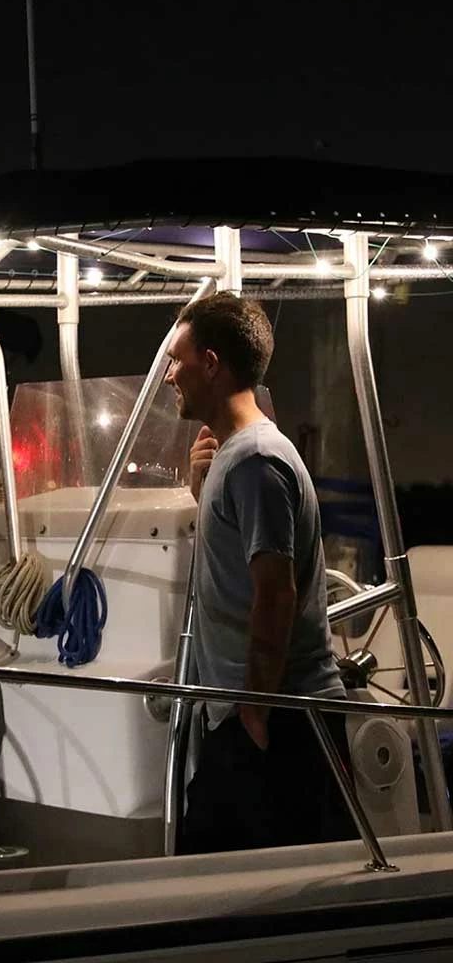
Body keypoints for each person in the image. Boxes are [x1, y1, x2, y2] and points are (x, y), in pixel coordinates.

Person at [165, 292, 352, 854]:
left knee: (250, 883)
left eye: (178, 361)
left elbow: (275, 593)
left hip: (279, 719)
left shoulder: (255, 461)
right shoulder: (237, 456)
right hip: (262, 714)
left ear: (212, 364)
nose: (171, 376)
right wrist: (201, 489)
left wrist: (252, 713)